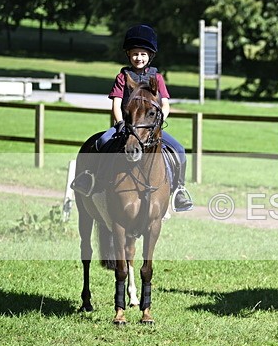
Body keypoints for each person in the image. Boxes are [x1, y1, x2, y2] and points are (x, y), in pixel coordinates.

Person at [71, 25, 193, 212]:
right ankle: (92, 180)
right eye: (135, 54)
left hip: (150, 127)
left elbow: (165, 105)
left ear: (150, 56)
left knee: (179, 149)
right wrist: (120, 123)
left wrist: (156, 124)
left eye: (143, 54)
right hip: (126, 126)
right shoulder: (123, 77)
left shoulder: (157, 78)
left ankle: (179, 190)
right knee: (102, 141)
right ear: (129, 54)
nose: (139, 58)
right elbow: (116, 103)